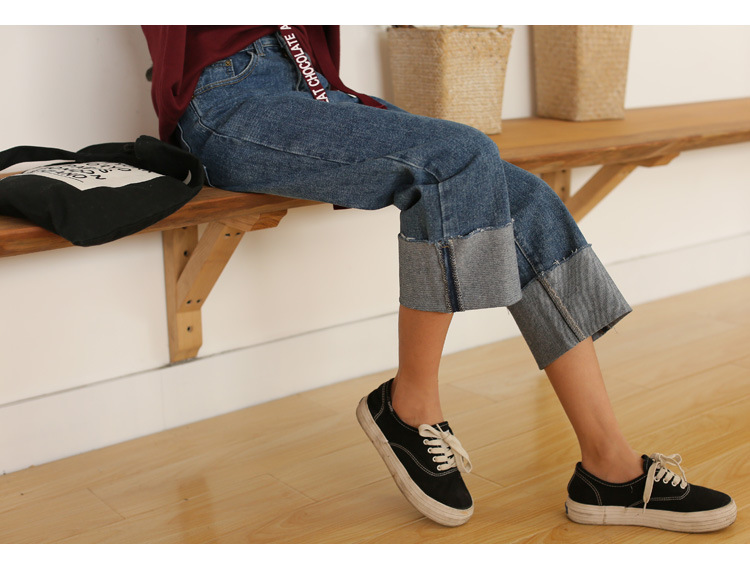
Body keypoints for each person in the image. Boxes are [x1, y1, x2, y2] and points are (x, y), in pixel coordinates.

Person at [142, 25, 737, 532]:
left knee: (525, 199)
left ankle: (610, 468)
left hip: (314, 86)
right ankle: (412, 405)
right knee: (459, 157)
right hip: (229, 100)